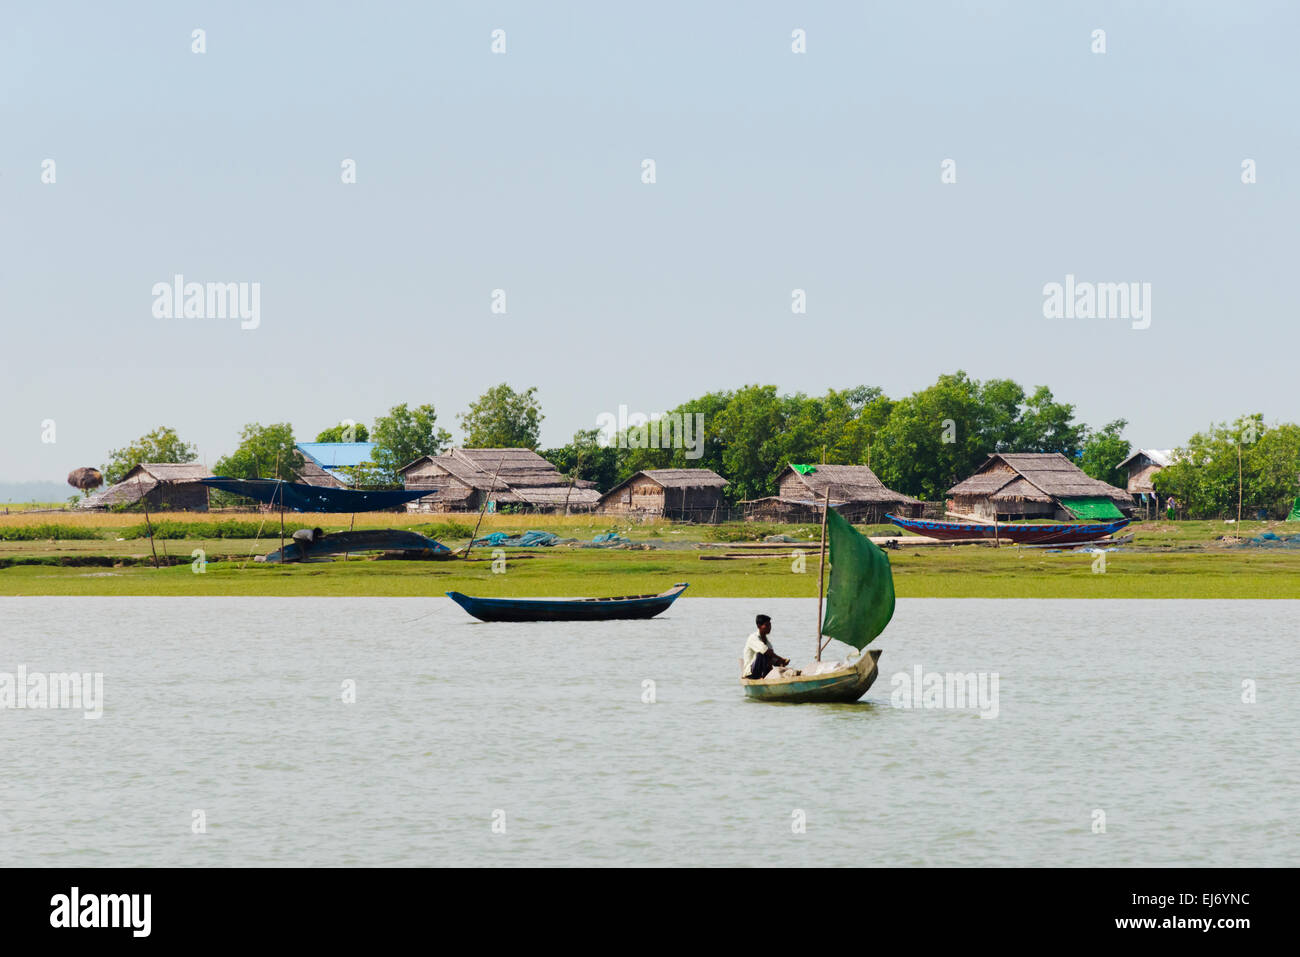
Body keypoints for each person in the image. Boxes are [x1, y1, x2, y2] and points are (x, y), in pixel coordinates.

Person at [742, 614, 789, 679]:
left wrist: (781, 662)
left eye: (770, 625)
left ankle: (765, 676)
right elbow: (766, 651)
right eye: (767, 625)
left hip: (763, 672)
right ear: (759, 626)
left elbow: (772, 658)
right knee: (761, 653)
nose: (769, 627)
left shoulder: (767, 642)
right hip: (751, 673)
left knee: (769, 656)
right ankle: (760, 676)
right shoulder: (753, 638)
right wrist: (781, 658)